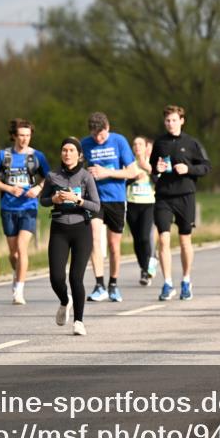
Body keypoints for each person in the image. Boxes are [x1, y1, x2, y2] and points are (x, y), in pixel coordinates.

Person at [0, 118, 50, 305]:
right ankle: (17, 272)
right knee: (14, 254)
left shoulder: (37, 156)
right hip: (8, 208)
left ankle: (19, 291)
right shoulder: (3, 156)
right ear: (14, 136)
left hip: (28, 208)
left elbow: (49, 177)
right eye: (21, 136)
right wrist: (8, 188)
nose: (24, 139)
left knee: (22, 247)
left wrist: (38, 189)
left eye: (27, 136)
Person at [39, 137, 101, 336]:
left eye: (71, 150)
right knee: (56, 277)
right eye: (64, 150)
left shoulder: (85, 177)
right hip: (59, 229)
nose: (67, 153)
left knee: (76, 277)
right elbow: (43, 201)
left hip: (81, 229)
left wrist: (78, 200)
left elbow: (97, 206)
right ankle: (65, 301)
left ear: (79, 154)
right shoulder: (52, 176)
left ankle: (79, 321)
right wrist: (54, 199)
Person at [150, 105, 211, 301]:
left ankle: (186, 280)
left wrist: (189, 169)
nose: (170, 123)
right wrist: (157, 169)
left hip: (185, 195)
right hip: (163, 196)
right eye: (167, 120)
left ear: (182, 121)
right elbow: (153, 168)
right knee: (163, 239)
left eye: (174, 120)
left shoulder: (192, 143)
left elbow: (206, 167)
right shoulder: (159, 142)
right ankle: (167, 283)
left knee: (185, 241)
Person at [81, 112, 138, 303]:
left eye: (102, 135)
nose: (98, 139)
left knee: (114, 245)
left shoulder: (119, 141)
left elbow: (133, 171)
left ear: (108, 128)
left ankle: (113, 284)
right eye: (95, 135)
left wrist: (106, 172)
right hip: (94, 199)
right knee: (94, 240)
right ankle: (99, 285)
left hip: (116, 198)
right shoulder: (85, 144)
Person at [126, 136, 158, 286]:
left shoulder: (153, 164)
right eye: (135, 144)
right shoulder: (129, 164)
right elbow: (122, 182)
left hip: (148, 204)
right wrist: (133, 178)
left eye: (140, 144)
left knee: (145, 237)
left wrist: (149, 171)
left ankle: (146, 269)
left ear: (146, 147)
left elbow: (160, 182)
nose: (137, 146)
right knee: (137, 239)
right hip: (132, 204)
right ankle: (143, 267)